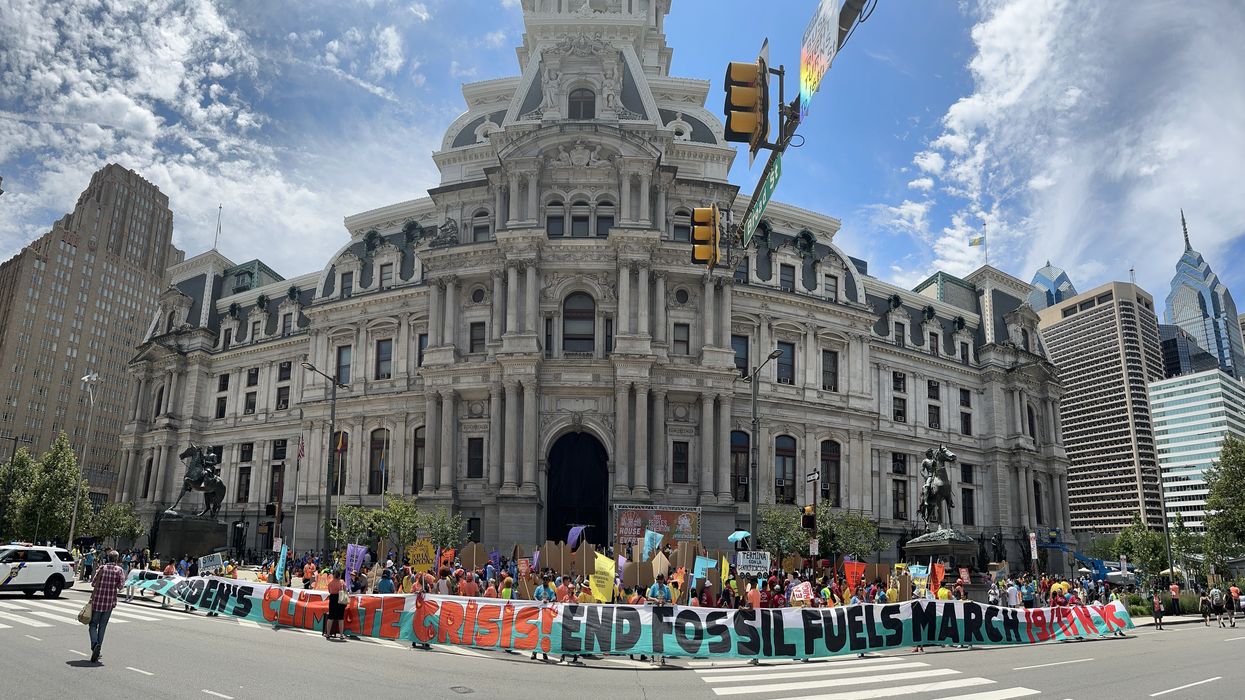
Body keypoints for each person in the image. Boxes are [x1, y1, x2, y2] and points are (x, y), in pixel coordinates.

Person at [88, 551, 126, 663]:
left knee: (93, 624)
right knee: (103, 626)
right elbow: (121, 586)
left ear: (108, 558)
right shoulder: (119, 570)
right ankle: (98, 648)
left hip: (97, 601)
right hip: (109, 603)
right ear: (117, 559)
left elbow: (93, 583)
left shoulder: (101, 568)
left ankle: (95, 644)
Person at [326, 571, 347, 641]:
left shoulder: (330, 582)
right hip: (340, 599)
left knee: (330, 617)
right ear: (339, 576)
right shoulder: (341, 582)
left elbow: (329, 591)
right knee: (340, 618)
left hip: (332, 599)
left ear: (334, 575)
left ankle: (328, 634)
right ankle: (341, 635)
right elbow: (345, 589)